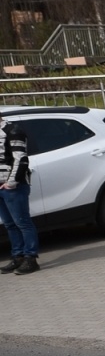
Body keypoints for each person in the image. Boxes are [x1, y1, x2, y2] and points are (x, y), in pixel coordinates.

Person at [0, 110, 37, 275]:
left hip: (14, 187)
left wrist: (11, 183)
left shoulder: (13, 131)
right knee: (9, 224)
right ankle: (18, 257)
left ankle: (31, 258)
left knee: (23, 222)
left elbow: (20, 158)